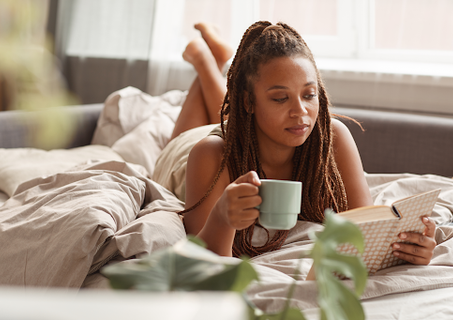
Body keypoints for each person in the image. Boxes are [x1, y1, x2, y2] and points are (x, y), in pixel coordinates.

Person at [170, 21, 436, 265]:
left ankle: (211, 58)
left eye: (309, 94)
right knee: (198, 128)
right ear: (248, 102)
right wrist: (221, 218)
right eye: (280, 98)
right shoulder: (209, 155)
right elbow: (201, 260)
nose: (300, 112)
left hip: (248, 123)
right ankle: (206, 60)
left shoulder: (333, 138)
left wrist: (412, 246)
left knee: (239, 113)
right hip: (185, 152)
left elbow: (365, 228)